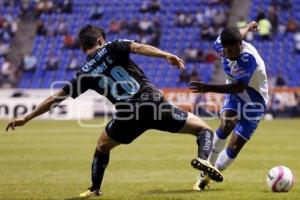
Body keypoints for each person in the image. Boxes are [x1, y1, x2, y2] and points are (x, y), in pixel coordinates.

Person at [5, 24, 223, 198]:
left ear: (83, 49)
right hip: (154, 103)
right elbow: (138, 47)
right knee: (203, 129)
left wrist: (27, 117)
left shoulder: (84, 72)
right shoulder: (114, 45)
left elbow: (56, 97)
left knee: (102, 146)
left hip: (127, 115)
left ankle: (94, 188)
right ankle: (202, 159)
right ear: (101, 40)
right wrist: (166, 54)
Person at [190, 21, 268, 190]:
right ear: (223, 48)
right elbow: (239, 34)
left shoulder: (248, 58)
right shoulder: (219, 45)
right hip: (235, 97)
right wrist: (248, 26)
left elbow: (239, 86)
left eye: (236, 49)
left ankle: (212, 173)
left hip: (255, 102)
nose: (233, 53)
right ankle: (205, 168)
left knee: (235, 146)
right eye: (229, 50)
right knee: (227, 124)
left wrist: (208, 87)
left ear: (241, 45)